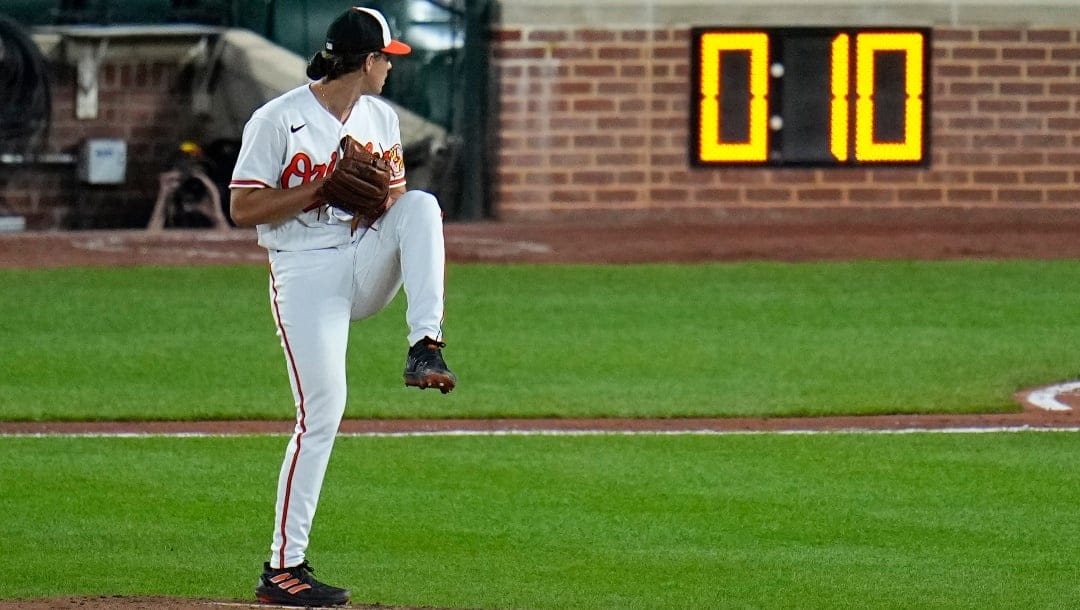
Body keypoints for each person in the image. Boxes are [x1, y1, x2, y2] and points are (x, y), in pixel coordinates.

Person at [228, 7, 457, 607]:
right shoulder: (277, 119)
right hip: (303, 270)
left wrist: (370, 200)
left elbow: (395, 203)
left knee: (422, 206)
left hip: (361, 256)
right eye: (387, 58)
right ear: (367, 60)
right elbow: (243, 209)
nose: (391, 68)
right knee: (322, 413)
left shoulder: (382, 118)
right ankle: (283, 568)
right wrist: (319, 189)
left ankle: (425, 343)